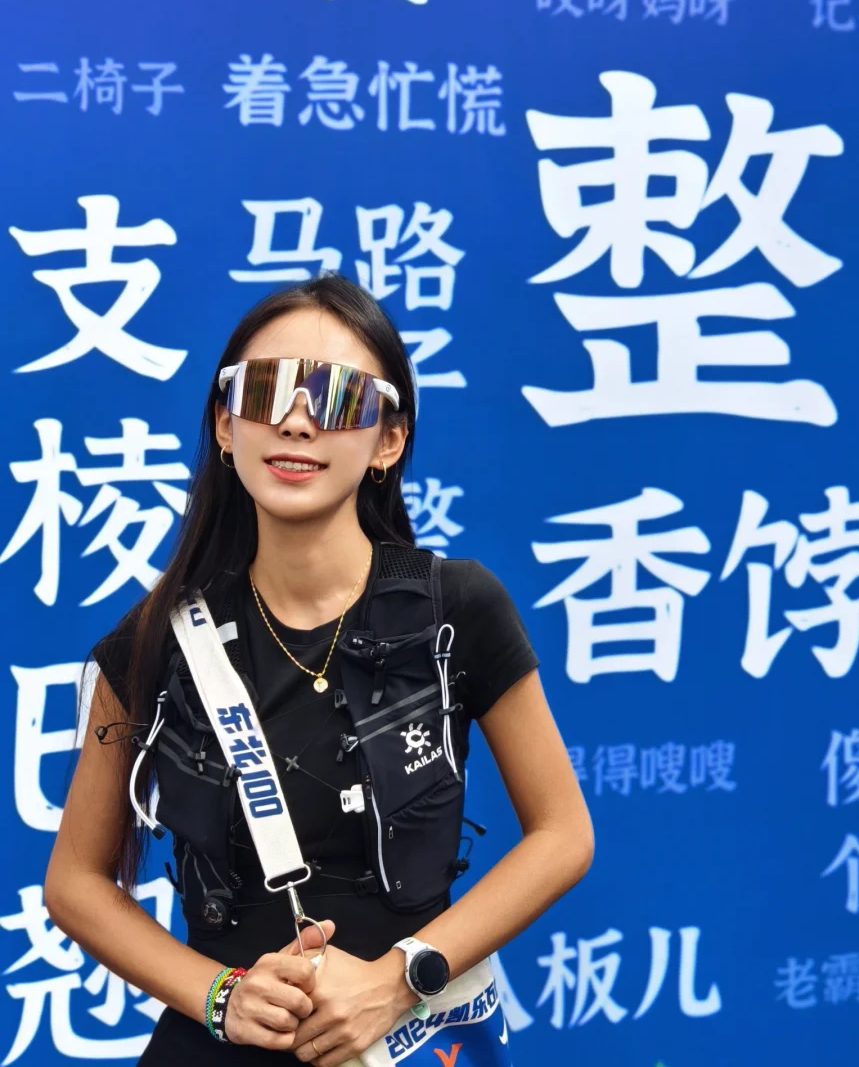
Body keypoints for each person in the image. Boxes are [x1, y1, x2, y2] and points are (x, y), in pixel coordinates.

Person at [44, 276, 593, 1066]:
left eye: (336, 397)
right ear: (225, 425)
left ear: (388, 441)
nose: (296, 419)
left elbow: (564, 834)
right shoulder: (156, 638)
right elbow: (75, 881)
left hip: (406, 1040)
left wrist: (400, 978)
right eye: (263, 391)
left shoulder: (456, 609)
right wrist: (220, 996)